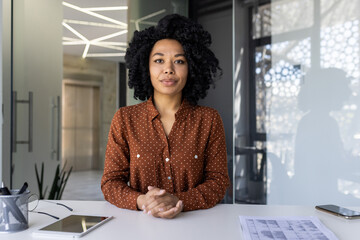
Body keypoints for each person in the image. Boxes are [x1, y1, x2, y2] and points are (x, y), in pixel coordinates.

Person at [101, 14, 230, 219]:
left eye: (179, 61)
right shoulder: (125, 119)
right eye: (159, 60)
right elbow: (110, 182)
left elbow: (218, 182)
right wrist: (143, 201)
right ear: (146, 66)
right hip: (138, 227)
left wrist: (178, 201)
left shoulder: (209, 120)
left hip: (197, 227)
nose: (168, 69)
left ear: (191, 68)